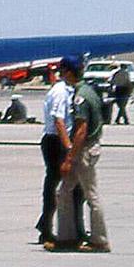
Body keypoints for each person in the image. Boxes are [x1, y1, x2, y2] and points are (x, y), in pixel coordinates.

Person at [50, 58, 111, 252]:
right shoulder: (88, 90)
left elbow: (81, 130)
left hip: (84, 150)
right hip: (84, 148)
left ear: (69, 72)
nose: (60, 75)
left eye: (62, 71)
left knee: (91, 194)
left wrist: (69, 158)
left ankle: (100, 240)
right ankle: (66, 237)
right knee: (63, 192)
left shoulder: (81, 96)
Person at [38, 59, 77, 244]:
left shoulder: (67, 90)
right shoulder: (60, 92)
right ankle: (46, 226)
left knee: (56, 184)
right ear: (67, 72)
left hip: (57, 139)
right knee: (55, 185)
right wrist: (68, 147)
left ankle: (45, 223)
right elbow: (58, 121)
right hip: (56, 141)